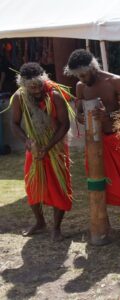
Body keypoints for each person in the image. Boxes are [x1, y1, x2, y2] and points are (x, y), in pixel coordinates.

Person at [64, 49, 120, 242]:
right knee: (97, 181)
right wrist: (79, 115)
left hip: (115, 138)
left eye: (84, 74)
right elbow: (78, 110)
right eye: (78, 76)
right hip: (93, 142)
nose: (82, 79)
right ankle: (104, 222)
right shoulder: (80, 86)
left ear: (93, 67)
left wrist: (107, 115)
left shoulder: (115, 81)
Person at [9, 62, 73, 241]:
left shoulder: (55, 96)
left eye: (38, 85)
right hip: (35, 147)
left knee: (59, 186)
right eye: (31, 87)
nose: (36, 90)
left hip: (56, 146)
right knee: (33, 185)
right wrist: (27, 142)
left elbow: (65, 124)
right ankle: (40, 222)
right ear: (24, 85)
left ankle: (57, 228)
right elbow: (14, 123)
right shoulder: (19, 98)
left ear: (43, 80)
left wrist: (49, 146)